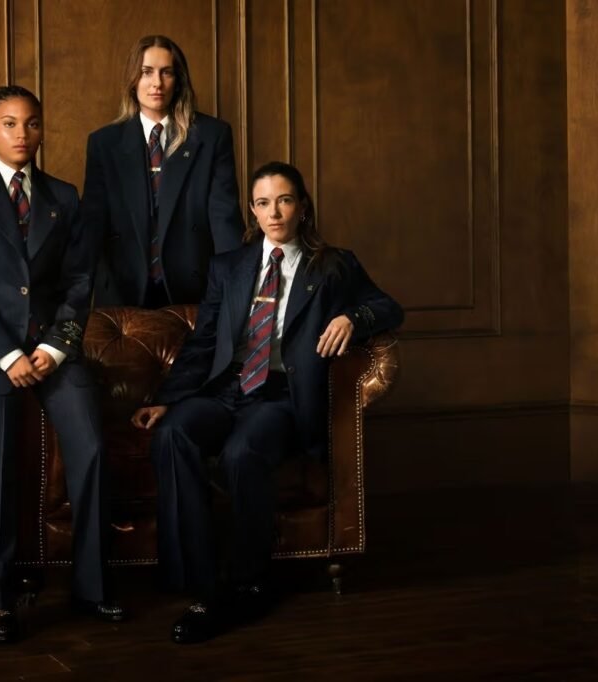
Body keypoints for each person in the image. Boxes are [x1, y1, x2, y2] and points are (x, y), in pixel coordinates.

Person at [132, 161, 403, 644]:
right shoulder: (229, 267)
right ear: (252, 212)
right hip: (226, 388)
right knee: (173, 434)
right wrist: (168, 400)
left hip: (281, 393)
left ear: (302, 207)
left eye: (284, 200)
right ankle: (199, 581)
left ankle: (250, 581)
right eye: (262, 203)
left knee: (242, 453)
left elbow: (388, 307)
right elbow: (204, 341)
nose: (274, 212)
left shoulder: (333, 265)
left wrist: (352, 318)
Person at [0, 85, 123, 645]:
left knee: (92, 449)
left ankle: (91, 587)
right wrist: (8, 354)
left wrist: (55, 347)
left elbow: (78, 281)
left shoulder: (64, 197)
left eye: (33, 123)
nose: (23, 134)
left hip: (53, 349)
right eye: (10, 123)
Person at [82, 34, 244, 308]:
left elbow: (224, 220)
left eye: (166, 72)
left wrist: (234, 296)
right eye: (147, 72)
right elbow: (92, 225)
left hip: (194, 289)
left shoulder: (211, 136)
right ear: (133, 79)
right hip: (122, 292)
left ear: (178, 80)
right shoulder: (104, 143)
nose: (157, 83)